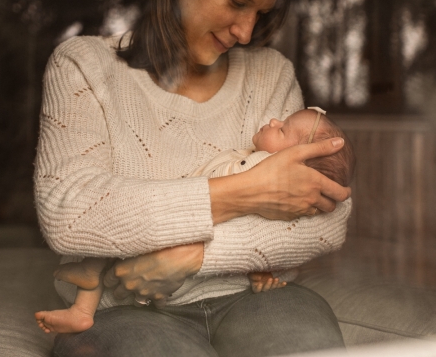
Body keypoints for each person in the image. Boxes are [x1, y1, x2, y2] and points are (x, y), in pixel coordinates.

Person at [34, 0, 352, 357]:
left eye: (260, 13)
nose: (245, 31)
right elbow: (70, 215)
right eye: (237, 2)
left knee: (306, 342)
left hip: (253, 297)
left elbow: (329, 217)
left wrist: (196, 256)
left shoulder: (270, 75)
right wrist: (246, 192)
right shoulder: (84, 66)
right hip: (123, 313)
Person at [35, 107, 355, 334]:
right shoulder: (265, 173)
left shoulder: (259, 165)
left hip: (176, 249)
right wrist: (258, 262)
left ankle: (85, 292)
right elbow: (262, 217)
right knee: (116, 228)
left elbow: (329, 215)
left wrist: (200, 255)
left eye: (282, 128)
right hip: (151, 282)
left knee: (121, 235)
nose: (272, 120)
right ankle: (83, 302)